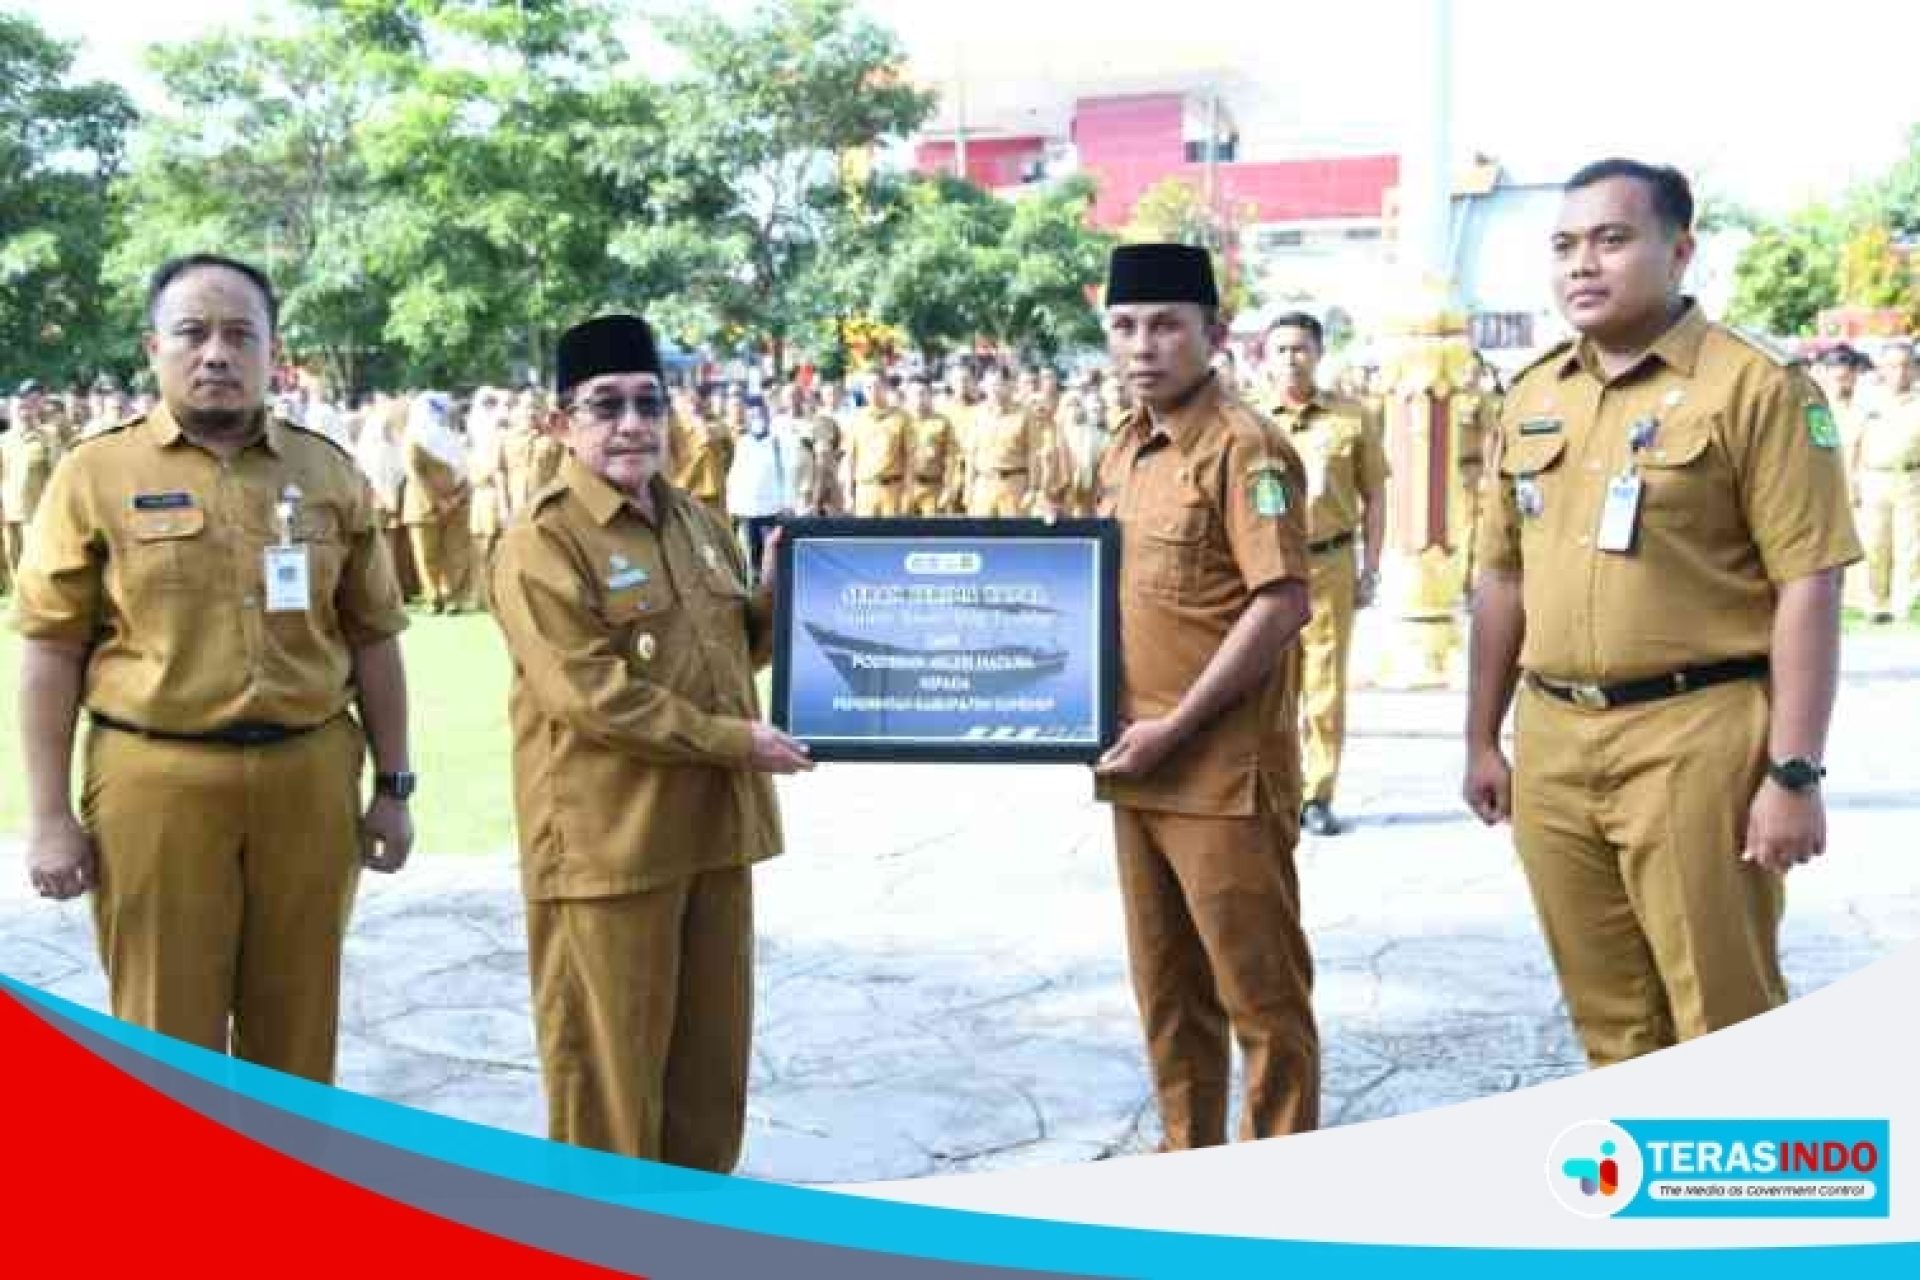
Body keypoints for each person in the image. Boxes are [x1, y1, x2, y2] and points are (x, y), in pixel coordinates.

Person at [1463, 159, 1860, 1067]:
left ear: (1680, 252)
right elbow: (1502, 578)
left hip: (1695, 737)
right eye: (1565, 245)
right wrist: (1482, 737)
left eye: (1612, 239)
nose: (1582, 264)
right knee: (1609, 1021)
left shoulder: (1755, 386)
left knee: (1722, 1016)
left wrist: (1794, 772)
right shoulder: (1533, 394)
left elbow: (1810, 583)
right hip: (1555, 741)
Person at [13, 252, 414, 1083]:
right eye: (192, 333)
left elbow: (374, 637)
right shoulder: (95, 473)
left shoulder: (326, 471)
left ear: (274, 351)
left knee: (297, 1032)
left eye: (240, 335)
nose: (216, 354)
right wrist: (48, 815)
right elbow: (50, 647)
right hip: (157, 784)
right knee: (166, 1037)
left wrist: (394, 786)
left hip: (308, 778)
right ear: (152, 348)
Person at [488, 313, 813, 1166]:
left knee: (708, 1082)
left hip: (710, 837)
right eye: (606, 406)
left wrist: (777, 596)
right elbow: (590, 695)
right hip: (610, 851)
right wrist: (734, 741)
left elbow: (727, 650)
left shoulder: (694, 521)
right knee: (609, 1091)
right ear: (561, 422)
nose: (632, 424)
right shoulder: (542, 541)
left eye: (648, 403)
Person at [1092, 243, 1318, 1148]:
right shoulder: (1125, 445)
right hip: (1134, 765)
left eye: (1165, 326)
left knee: (1261, 1000)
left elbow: (1282, 603)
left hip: (1221, 775)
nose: (1142, 346)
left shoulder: (1245, 447)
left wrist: (1177, 725)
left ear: (1213, 334)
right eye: (1124, 326)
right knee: (1168, 993)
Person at [1261, 312, 1388, 837]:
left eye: (1301, 348)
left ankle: (1316, 794)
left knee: (1324, 683)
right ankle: (1275, 789)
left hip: (1329, 563)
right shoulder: (1250, 419)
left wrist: (1370, 568)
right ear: (1266, 357)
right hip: (1267, 567)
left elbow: (1375, 495)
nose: (1292, 359)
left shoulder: (1351, 418)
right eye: (1281, 349)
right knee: (1268, 682)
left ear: (1318, 353)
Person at [1848, 338, 1920, 623]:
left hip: (1912, 478)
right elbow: (1853, 442)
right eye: (1892, 366)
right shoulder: (1868, 400)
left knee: (1910, 546)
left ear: (1914, 368)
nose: (1899, 372)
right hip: (1874, 478)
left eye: (1905, 366)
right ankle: (1876, 605)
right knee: (1874, 543)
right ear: (1881, 368)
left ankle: (1905, 606)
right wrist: (1852, 481)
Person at [402, 392, 475, 613]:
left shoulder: (451, 437)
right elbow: (416, 475)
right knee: (427, 554)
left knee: (456, 552)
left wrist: (457, 498)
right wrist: (438, 501)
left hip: (456, 504)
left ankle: (454, 598)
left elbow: (465, 471)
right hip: (423, 506)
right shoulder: (413, 439)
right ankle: (433, 597)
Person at [965, 364, 1052, 517]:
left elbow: (1033, 454)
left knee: (1013, 531)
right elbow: (971, 454)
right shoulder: (977, 414)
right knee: (980, 531)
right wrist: (969, 487)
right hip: (983, 485)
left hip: (1014, 484)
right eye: (991, 385)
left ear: (1010, 385)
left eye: (999, 384)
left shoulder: (1025, 415)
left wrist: (1032, 489)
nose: (995, 389)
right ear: (984, 386)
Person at [724, 393, 791, 579]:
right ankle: (755, 585)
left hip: (772, 509)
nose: (757, 420)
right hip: (748, 510)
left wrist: (787, 504)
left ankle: (771, 586)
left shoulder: (777, 442)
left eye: (760, 415)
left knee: (772, 553)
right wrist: (732, 505)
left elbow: (786, 474)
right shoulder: (742, 443)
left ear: (767, 416)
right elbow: (735, 476)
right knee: (752, 553)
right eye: (752, 416)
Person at [2, 381, 63, 584]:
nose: (24, 412)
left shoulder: (49, 436)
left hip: (36, 512)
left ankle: (35, 595)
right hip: (10, 510)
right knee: (13, 557)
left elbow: (57, 474)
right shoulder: (4, 440)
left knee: (34, 561)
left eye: (28, 407)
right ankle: (18, 596)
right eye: (20, 408)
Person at [902, 373, 961, 516]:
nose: (918, 398)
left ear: (930, 395)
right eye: (914, 394)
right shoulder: (901, 421)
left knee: (932, 529)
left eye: (923, 393)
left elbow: (951, 459)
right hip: (904, 488)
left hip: (933, 487)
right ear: (907, 395)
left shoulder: (942, 422)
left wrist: (948, 487)